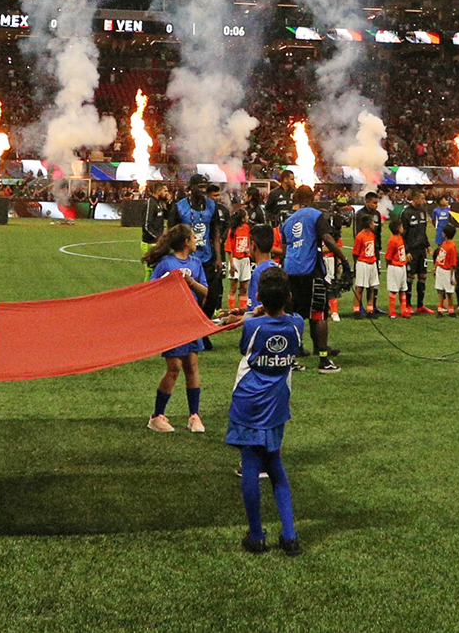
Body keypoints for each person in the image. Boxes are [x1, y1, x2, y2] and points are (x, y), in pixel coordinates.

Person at [226, 266, 304, 555]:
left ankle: (257, 536)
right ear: (289, 297)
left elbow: (245, 347)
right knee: (275, 465)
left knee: (250, 464)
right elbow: (289, 316)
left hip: (248, 399)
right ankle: (290, 534)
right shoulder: (297, 325)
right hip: (277, 402)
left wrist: (254, 312)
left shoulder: (252, 326)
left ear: (258, 295)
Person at [145, 223, 210, 433]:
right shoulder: (166, 263)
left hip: (191, 320)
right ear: (186, 242)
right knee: (174, 367)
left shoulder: (196, 263)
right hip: (172, 321)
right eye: (193, 237)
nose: (196, 241)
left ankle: (194, 416)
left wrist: (190, 282)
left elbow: (204, 292)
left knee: (191, 365)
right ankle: (156, 416)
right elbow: (152, 290)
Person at [278, 185, 342, 370]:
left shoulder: (288, 222)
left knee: (293, 314)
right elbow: (328, 239)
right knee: (318, 313)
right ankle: (323, 359)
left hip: (290, 270)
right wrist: (344, 260)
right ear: (311, 199)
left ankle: (292, 355)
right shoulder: (315, 215)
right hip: (310, 270)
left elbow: (284, 249)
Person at [175, 176, 225, 315]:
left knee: (212, 294)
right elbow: (172, 234)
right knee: (188, 296)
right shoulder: (179, 207)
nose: (203, 190)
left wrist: (218, 258)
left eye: (204, 187)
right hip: (187, 259)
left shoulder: (211, 205)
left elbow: (215, 232)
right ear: (190, 188)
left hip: (207, 258)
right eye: (200, 186)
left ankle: (205, 325)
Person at [383, 224, 410, 319]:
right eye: (401, 226)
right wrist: (389, 265)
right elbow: (388, 256)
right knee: (394, 290)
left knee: (403, 289)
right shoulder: (393, 240)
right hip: (395, 267)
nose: (403, 228)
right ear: (398, 228)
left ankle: (404, 310)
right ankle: (392, 311)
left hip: (402, 266)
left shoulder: (400, 238)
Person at [433, 228, 459, 316]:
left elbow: (453, 263)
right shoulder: (444, 244)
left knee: (449, 292)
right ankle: (440, 309)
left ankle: (451, 310)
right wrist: (435, 268)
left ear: (445, 234)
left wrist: (452, 277)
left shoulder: (452, 246)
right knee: (440, 291)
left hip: (447, 271)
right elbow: (439, 257)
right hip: (440, 270)